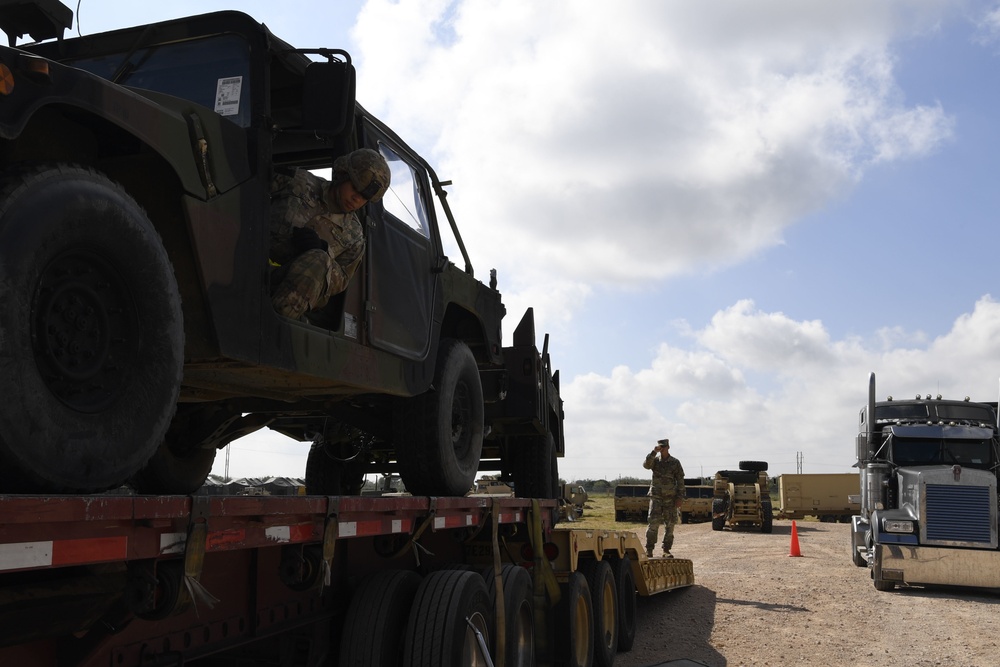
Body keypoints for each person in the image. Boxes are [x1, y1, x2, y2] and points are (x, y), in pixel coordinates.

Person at [269, 147, 391, 321]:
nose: (357, 199)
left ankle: (274, 325)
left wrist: (321, 252)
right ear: (343, 175)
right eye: (355, 189)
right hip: (244, 258)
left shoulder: (354, 237)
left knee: (319, 260)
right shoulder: (298, 182)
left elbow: (340, 281)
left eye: (364, 197)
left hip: (284, 290)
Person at [643, 437, 684, 558]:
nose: (662, 449)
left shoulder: (675, 462)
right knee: (653, 524)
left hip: (670, 498)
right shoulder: (655, 460)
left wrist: (680, 497)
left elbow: (680, 480)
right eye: (660, 447)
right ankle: (649, 549)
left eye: (664, 447)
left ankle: (666, 550)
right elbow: (646, 465)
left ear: (668, 447)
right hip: (656, 497)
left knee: (670, 525)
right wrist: (653, 452)